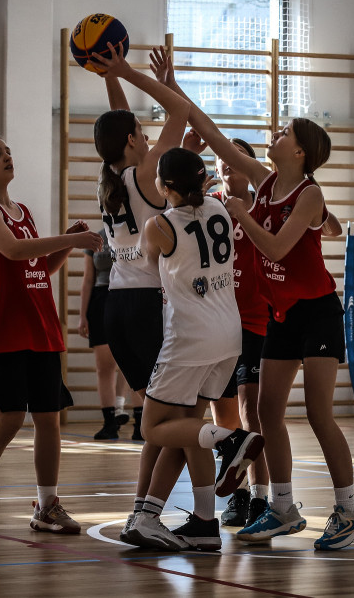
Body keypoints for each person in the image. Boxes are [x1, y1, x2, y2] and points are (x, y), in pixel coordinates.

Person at [149, 46, 354, 550]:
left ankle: (349, 507)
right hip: (281, 315)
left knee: (318, 414)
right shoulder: (265, 181)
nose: (276, 134)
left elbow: (274, 246)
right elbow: (211, 134)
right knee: (266, 415)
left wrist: (239, 212)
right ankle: (283, 507)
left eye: (285, 132)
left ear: (301, 151)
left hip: (316, 313)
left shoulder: (309, 194)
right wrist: (174, 90)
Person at [0, 134, 103, 538]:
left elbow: (35, 267)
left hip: (40, 327)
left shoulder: (23, 210)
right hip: (4, 330)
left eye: (8, 151)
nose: (7, 156)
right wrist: (73, 239)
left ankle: (47, 505)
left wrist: (65, 244)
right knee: (10, 418)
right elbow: (13, 251)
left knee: (49, 420)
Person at [91, 43, 205, 548]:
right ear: (136, 140)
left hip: (115, 307)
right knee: (182, 422)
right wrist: (130, 71)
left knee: (156, 422)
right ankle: (169, 507)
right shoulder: (147, 174)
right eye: (139, 128)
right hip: (148, 308)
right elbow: (179, 111)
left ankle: (141, 512)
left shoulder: (112, 178)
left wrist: (110, 77)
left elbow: (119, 121)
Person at [134, 146, 263, 551]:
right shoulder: (220, 209)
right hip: (229, 333)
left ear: (166, 186)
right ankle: (205, 523)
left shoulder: (158, 225)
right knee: (190, 430)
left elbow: (143, 265)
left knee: (151, 428)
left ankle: (230, 440)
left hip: (189, 338)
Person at [208, 138, 272, 529]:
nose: (226, 163)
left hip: (256, 320)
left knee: (252, 413)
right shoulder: (208, 204)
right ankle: (237, 496)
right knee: (224, 416)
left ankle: (262, 499)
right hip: (216, 321)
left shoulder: (264, 206)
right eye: (220, 159)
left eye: (236, 157)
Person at [77, 229, 138, 440]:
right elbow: (87, 279)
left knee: (134, 363)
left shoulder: (135, 232)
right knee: (104, 366)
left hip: (128, 295)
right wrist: (82, 315)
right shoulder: (96, 237)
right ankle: (110, 422)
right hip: (101, 298)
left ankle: (140, 422)